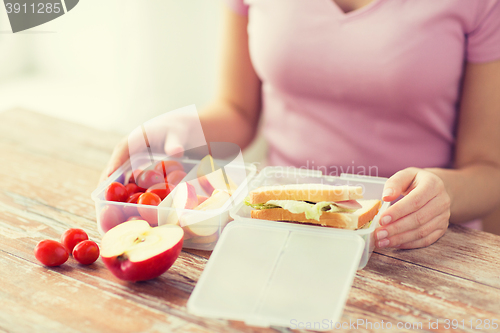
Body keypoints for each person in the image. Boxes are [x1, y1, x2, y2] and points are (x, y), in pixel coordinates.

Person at [101, 0, 500, 249]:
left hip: (415, 243)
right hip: (279, 227)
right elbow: (238, 111)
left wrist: (442, 193)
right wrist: (179, 129)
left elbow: (489, 169)